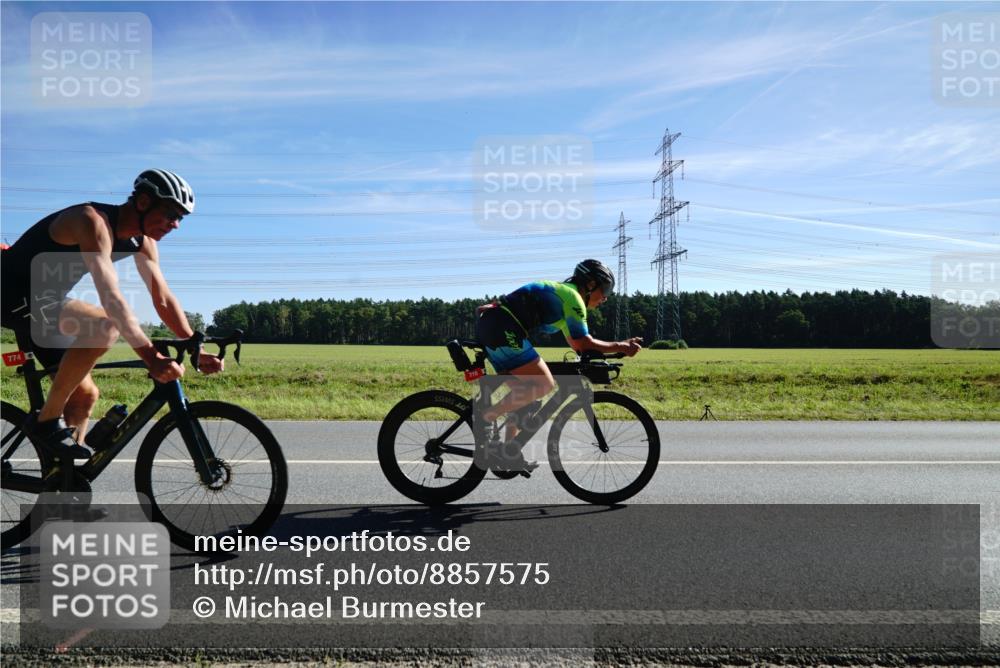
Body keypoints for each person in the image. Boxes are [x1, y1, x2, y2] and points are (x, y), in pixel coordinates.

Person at [0, 169, 223, 460]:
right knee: (103, 326)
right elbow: (110, 295)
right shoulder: (92, 222)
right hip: (10, 296)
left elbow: (163, 299)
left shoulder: (143, 242)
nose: (176, 224)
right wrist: (151, 357)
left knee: (84, 396)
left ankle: (63, 482)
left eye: (181, 217)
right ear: (143, 202)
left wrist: (196, 346)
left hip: (44, 304)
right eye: (170, 214)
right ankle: (46, 422)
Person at [475, 259, 642, 471]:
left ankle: (508, 452)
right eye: (605, 289)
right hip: (503, 327)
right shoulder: (573, 298)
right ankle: (485, 417)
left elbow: (578, 346)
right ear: (590, 285)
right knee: (544, 383)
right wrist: (621, 345)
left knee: (524, 397)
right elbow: (584, 342)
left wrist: (617, 350)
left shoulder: (565, 297)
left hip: (496, 325)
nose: (605, 297)